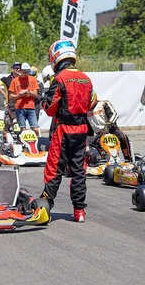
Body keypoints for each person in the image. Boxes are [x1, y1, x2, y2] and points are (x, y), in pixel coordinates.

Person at [40, 40, 97, 223]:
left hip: (63, 129)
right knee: (79, 170)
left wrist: (43, 100)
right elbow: (92, 102)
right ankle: (79, 211)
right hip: (81, 129)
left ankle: (46, 207)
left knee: (54, 169)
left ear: (56, 56)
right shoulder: (86, 78)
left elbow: (50, 108)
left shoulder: (59, 78)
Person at [9, 63, 40, 135]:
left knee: (35, 128)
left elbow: (36, 94)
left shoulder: (33, 79)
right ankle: (24, 144)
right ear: (20, 71)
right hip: (19, 107)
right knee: (23, 129)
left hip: (31, 107)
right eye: (24, 72)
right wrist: (19, 95)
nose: (26, 74)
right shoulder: (15, 81)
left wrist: (28, 92)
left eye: (27, 72)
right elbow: (10, 96)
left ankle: (36, 144)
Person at [0, 62, 22, 133]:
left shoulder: (22, 78)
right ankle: (6, 140)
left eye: (19, 68)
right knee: (7, 124)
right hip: (10, 105)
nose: (18, 70)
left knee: (20, 124)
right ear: (12, 69)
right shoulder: (7, 79)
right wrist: (3, 93)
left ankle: (19, 140)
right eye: (16, 68)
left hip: (20, 104)